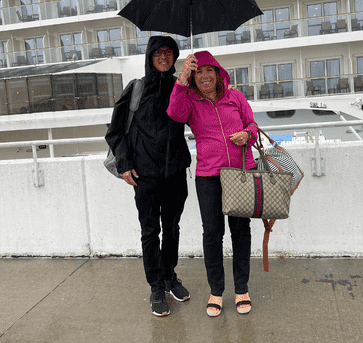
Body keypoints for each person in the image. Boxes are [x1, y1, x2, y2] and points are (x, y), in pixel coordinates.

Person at [105, 36, 192, 317]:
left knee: (173, 228)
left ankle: (169, 277)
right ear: (150, 57)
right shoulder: (136, 89)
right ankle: (156, 286)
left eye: (169, 52)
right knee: (150, 230)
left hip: (176, 171)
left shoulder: (184, 87)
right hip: (145, 174)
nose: (164, 57)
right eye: (158, 53)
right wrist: (124, 163)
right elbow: (115, 131)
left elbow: (205, 113)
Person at [167, 50, 258, 317]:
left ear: (218, 74)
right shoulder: (189, 101)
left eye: (209, 70)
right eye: (198, 71)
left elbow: (252, 124)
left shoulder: (235, 97)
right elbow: (174, 113)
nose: (204, 76)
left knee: (241, 231)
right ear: (193, 77)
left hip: (241, 171)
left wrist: (246, 135)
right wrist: (182, 78)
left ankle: (241, 289)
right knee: (212, 234)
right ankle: (216, 291)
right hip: (208, 175)